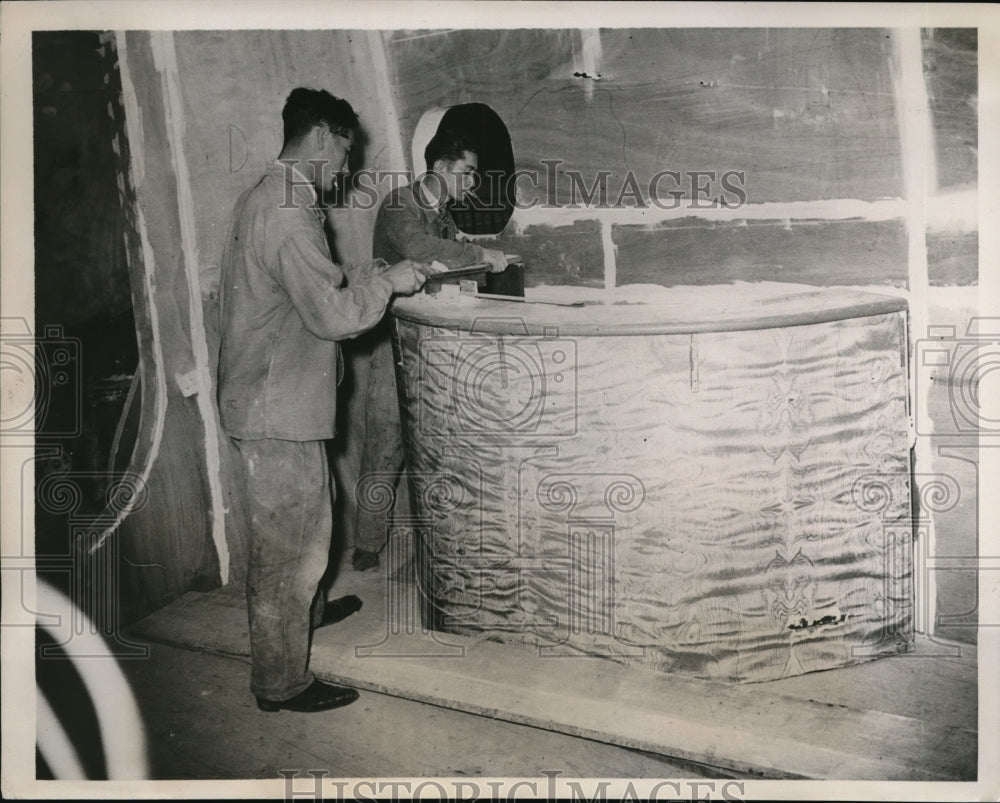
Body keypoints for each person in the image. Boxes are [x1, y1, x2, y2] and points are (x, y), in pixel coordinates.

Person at [217, 87, 432, 713]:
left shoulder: (271, 195)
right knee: (291, 547)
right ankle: (281, 682)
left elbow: (316, 283)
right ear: (318, 137)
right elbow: (333, 316)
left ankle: (306, 610)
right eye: (342, 154)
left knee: (311, 522)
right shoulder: (287, 211)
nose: (345, 171)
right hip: (274, 410)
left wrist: (374, 275)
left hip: (271, 400)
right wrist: (390, 281)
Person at [352, 130, 507, 572]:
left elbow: (445, 265)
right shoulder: (401, 205)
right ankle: (367, 542)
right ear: (439, 169)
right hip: (394, 337)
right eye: (466, 173)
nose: (471, 184)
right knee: (385, 437)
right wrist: (478, 251)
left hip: (432, 337)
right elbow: (420, 252)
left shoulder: (442, 214)